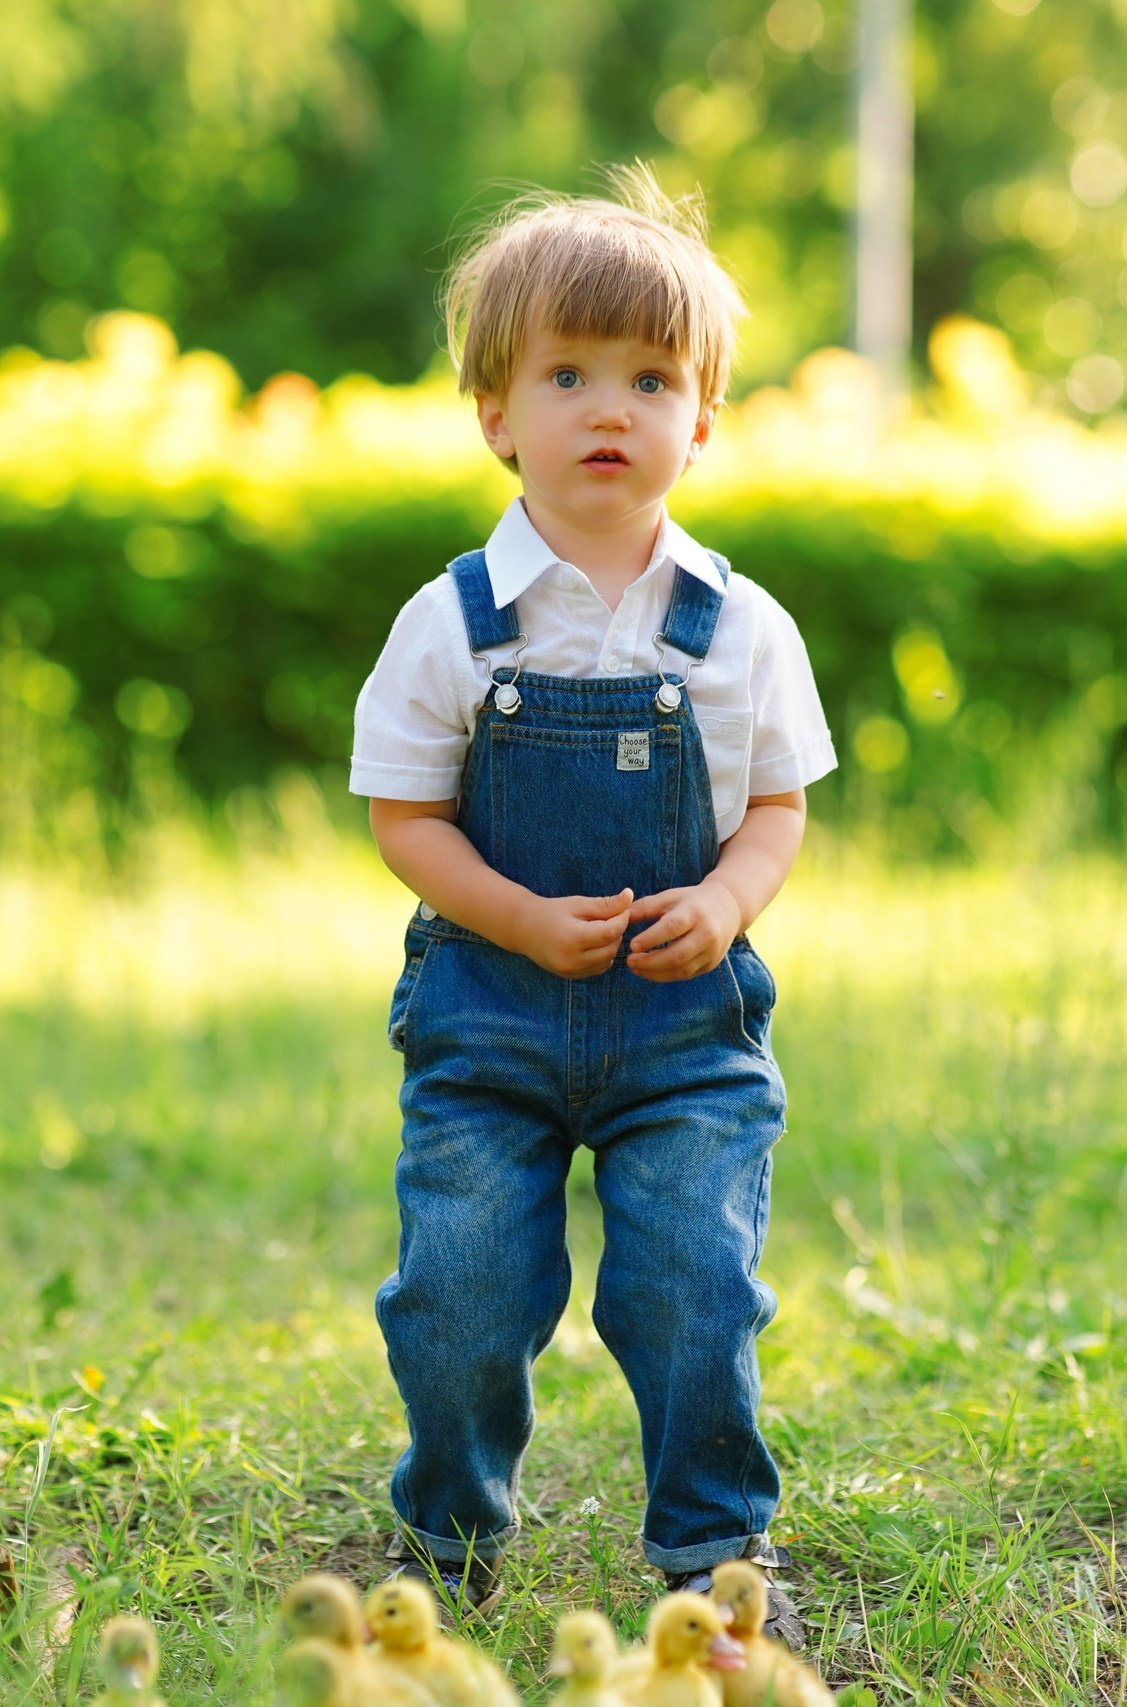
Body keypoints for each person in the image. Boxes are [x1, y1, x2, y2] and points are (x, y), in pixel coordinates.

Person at [348, 164, 835, 1644]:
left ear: (703, 417)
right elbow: (404, 818)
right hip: (492, 1021)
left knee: (693, 1289)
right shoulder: (452, 623)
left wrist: (732, 899)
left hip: (682, 1032)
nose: (608, 409)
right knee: (459, 1293)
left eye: (649, 378)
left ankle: (712, 1548)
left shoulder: (737, 627)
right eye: (566, 374)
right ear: (496, 412)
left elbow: (779, 804)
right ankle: (449, 1531)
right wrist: (510, 915)